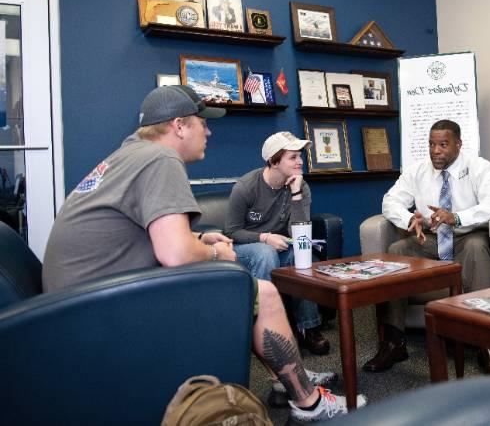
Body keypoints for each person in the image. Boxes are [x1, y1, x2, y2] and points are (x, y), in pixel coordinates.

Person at [42, 86, 364, 422]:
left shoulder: (130, 154)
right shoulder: (161, 158)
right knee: (262, 293)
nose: (208, 131)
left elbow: (138, 230)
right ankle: (309, 404)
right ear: (179, 126)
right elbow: (177, 253)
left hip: (73, 303)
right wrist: (215, 254)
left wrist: (197, 235)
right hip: (94, 312)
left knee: (249, 287)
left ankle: (285, 382)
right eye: (202, 123)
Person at [362, 119, 490, 375]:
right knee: (397, 250)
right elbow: (390, 201)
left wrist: (457, 217)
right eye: (431, 144)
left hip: (467, 236)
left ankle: (486, 344)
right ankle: (394, 340)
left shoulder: (480, 168)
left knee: (477, 246)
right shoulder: (418, 170)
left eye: (443, 144)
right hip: (429, 240)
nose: (435, 151)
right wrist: (409, 218)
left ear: (458, 144)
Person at [224, 131, 331, 358]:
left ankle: (308, 328)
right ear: (274, 161)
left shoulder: (300, 185)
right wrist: (264, 237)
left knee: (302, 254)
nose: (300, 161)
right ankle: (266, 332)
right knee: (265, 253)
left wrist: (296, 194)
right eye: (293, 157)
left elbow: (298, 233)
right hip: (247, 250)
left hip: (278, 248)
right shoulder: (246, 187)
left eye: (300, 156)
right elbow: (231, 232)